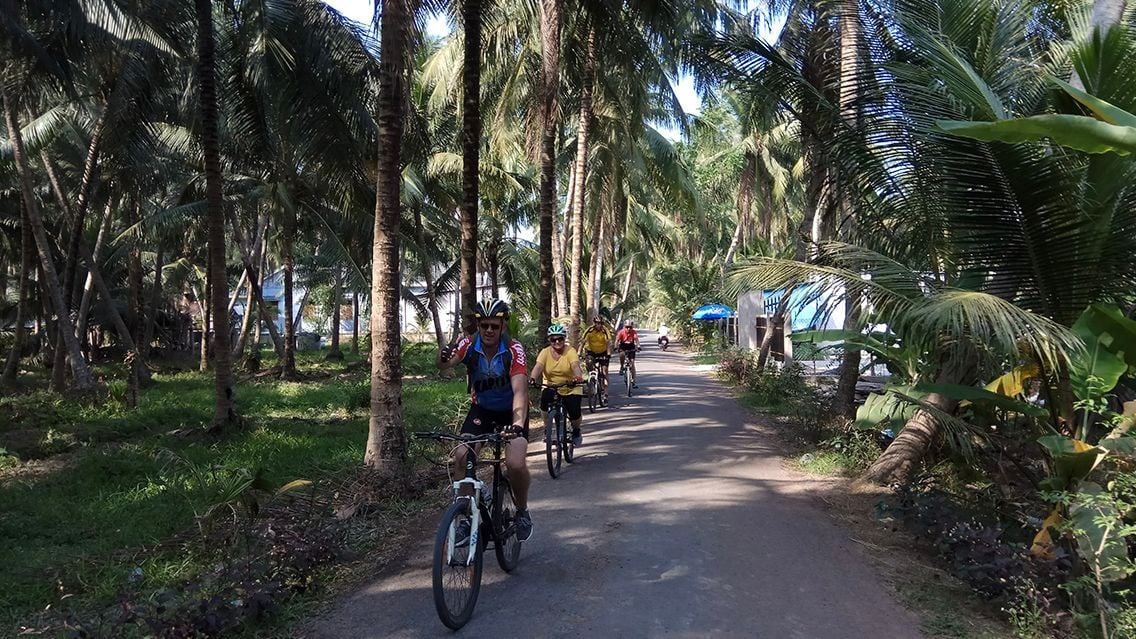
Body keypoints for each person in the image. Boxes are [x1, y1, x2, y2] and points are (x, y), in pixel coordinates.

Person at [437, 299, 534, 542]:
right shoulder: (468, 345)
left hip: (511, 412)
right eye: (484, 326)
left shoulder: (513, 349)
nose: (489, 331)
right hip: (482, 411)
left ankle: (522, 510)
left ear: (502, 326)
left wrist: (517, 424)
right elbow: (445, 364)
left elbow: (521, 391)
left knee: (515, 463)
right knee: (462, 456)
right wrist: (443, 357)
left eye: (494, 326)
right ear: (478, 326)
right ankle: (467, 516)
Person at [530, 324, 586, 446]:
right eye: (553, 339)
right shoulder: (544, 352)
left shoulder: (570, 351)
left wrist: (578, 377)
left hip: (571, 385)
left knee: (574, 411)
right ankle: (547, 428)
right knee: (544, 404)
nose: (557, 342)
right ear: (549, 340)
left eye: (560, 338)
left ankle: (576, 430)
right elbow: (538, 366)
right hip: (551, 385)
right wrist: (532, 378)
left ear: (564, 338)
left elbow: (575, 365)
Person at [580, 313, 613, 404]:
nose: (599, 325)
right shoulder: (589, 330)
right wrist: (579, 353)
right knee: (589, 364)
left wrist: (609, 353)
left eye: (601, 323)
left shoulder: (605, 331)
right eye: (597, 323)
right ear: (594, 323)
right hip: (591, 352)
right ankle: (592, 380)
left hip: (603, 352)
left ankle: (605, 393)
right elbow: (582, 342)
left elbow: (609, 343)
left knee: (605, 372)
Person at [616, 319, 641, 388]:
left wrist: (638, 346)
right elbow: (617, 340)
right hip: (623, 346)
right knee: (622, 355)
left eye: (630, 327)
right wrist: (616, 346)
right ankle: (621, 367)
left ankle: (633, 380)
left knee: (632, 363)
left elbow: (636, 340)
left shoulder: (633, 332)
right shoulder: (621, 332)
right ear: (624, 327)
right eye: (627, 327)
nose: (628, 329)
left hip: (631, 346)